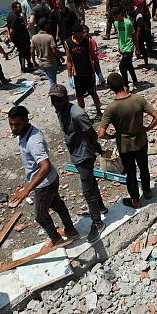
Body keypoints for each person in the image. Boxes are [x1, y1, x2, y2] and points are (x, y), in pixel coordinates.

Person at [7, 105, 80, 247]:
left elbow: (45, 166)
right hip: (50, 179)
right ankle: (71, 230)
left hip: (44, 184)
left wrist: (27, 189)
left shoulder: (34, 142)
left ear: (26, 121)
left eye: (17, 124)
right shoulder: (26, 131)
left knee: (40, 216)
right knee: (57, 204)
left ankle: (56, 239)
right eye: (11, 124)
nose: (13, 128)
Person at [49, 85, 107, 240]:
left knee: (87, 191)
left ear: (66, 98)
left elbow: (92, 134)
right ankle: (101, 208)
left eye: (58, 99)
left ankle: (98, 223)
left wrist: (97, 149)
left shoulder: (77, 114)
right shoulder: (61, 110)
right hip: (76, 153)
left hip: (84, 155)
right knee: (91, 182)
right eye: (53, 99)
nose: (55, 103)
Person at [97, 73, 157, 208]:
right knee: (144, 167)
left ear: (110, 88)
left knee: (130, 173)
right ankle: (147, 191)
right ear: (123, 83)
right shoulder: (138, 99)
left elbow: (101, 134)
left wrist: (112, 136)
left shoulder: (111, 108)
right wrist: (148, 128)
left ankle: (135, 200)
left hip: (125, 146)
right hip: (141, 141)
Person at [65, 25, 102, 115]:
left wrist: (99, 73)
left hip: (89, 72)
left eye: (81, 33)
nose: (81, 35)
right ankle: (83, 114)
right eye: (79, 34)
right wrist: (69, 76)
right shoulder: (68, 43)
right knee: (80, 96)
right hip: (77, 74)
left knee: (93, 93)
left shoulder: (87, 41)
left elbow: (94, 57)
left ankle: (98, 112)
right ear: (74, 33)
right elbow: (69, 60)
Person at [111, 8, 139, 89]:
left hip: (129, 47)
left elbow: (134, 35)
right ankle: (135, 80)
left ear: (120, 14)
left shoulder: (128, 22)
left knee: (122, 66)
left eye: (116, 16)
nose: (115, 18)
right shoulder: (116, 23)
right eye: (114, 17)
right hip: (123, 47)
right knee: (129, 65)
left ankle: (125, 85)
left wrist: (137, 48)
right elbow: (118, 36)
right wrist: (119, 46)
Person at [7, 2, 34, 72]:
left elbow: (8, 27)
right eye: (19, 7)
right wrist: (10, 38)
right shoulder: (15, 17)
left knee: (26, 51)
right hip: (20, 39)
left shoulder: (10, 15)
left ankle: (29, 63)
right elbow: (12, 30)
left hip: (21, 38)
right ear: (14, 8)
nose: (21, 9)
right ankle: (23, 68)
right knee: (22, 53)